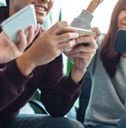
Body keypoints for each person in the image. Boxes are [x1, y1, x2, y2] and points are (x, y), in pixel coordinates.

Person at [0, 0, 98, 128]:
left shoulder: (47, 41)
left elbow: (56, 108)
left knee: (68, 125)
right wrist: (29, 60)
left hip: (7, 121)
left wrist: (78, 69)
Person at [74, 0, 126, 127]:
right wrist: (94, 4)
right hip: (99, 124)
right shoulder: (100, 45)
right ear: (116, 13)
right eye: (124, 9)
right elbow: (71, 43)